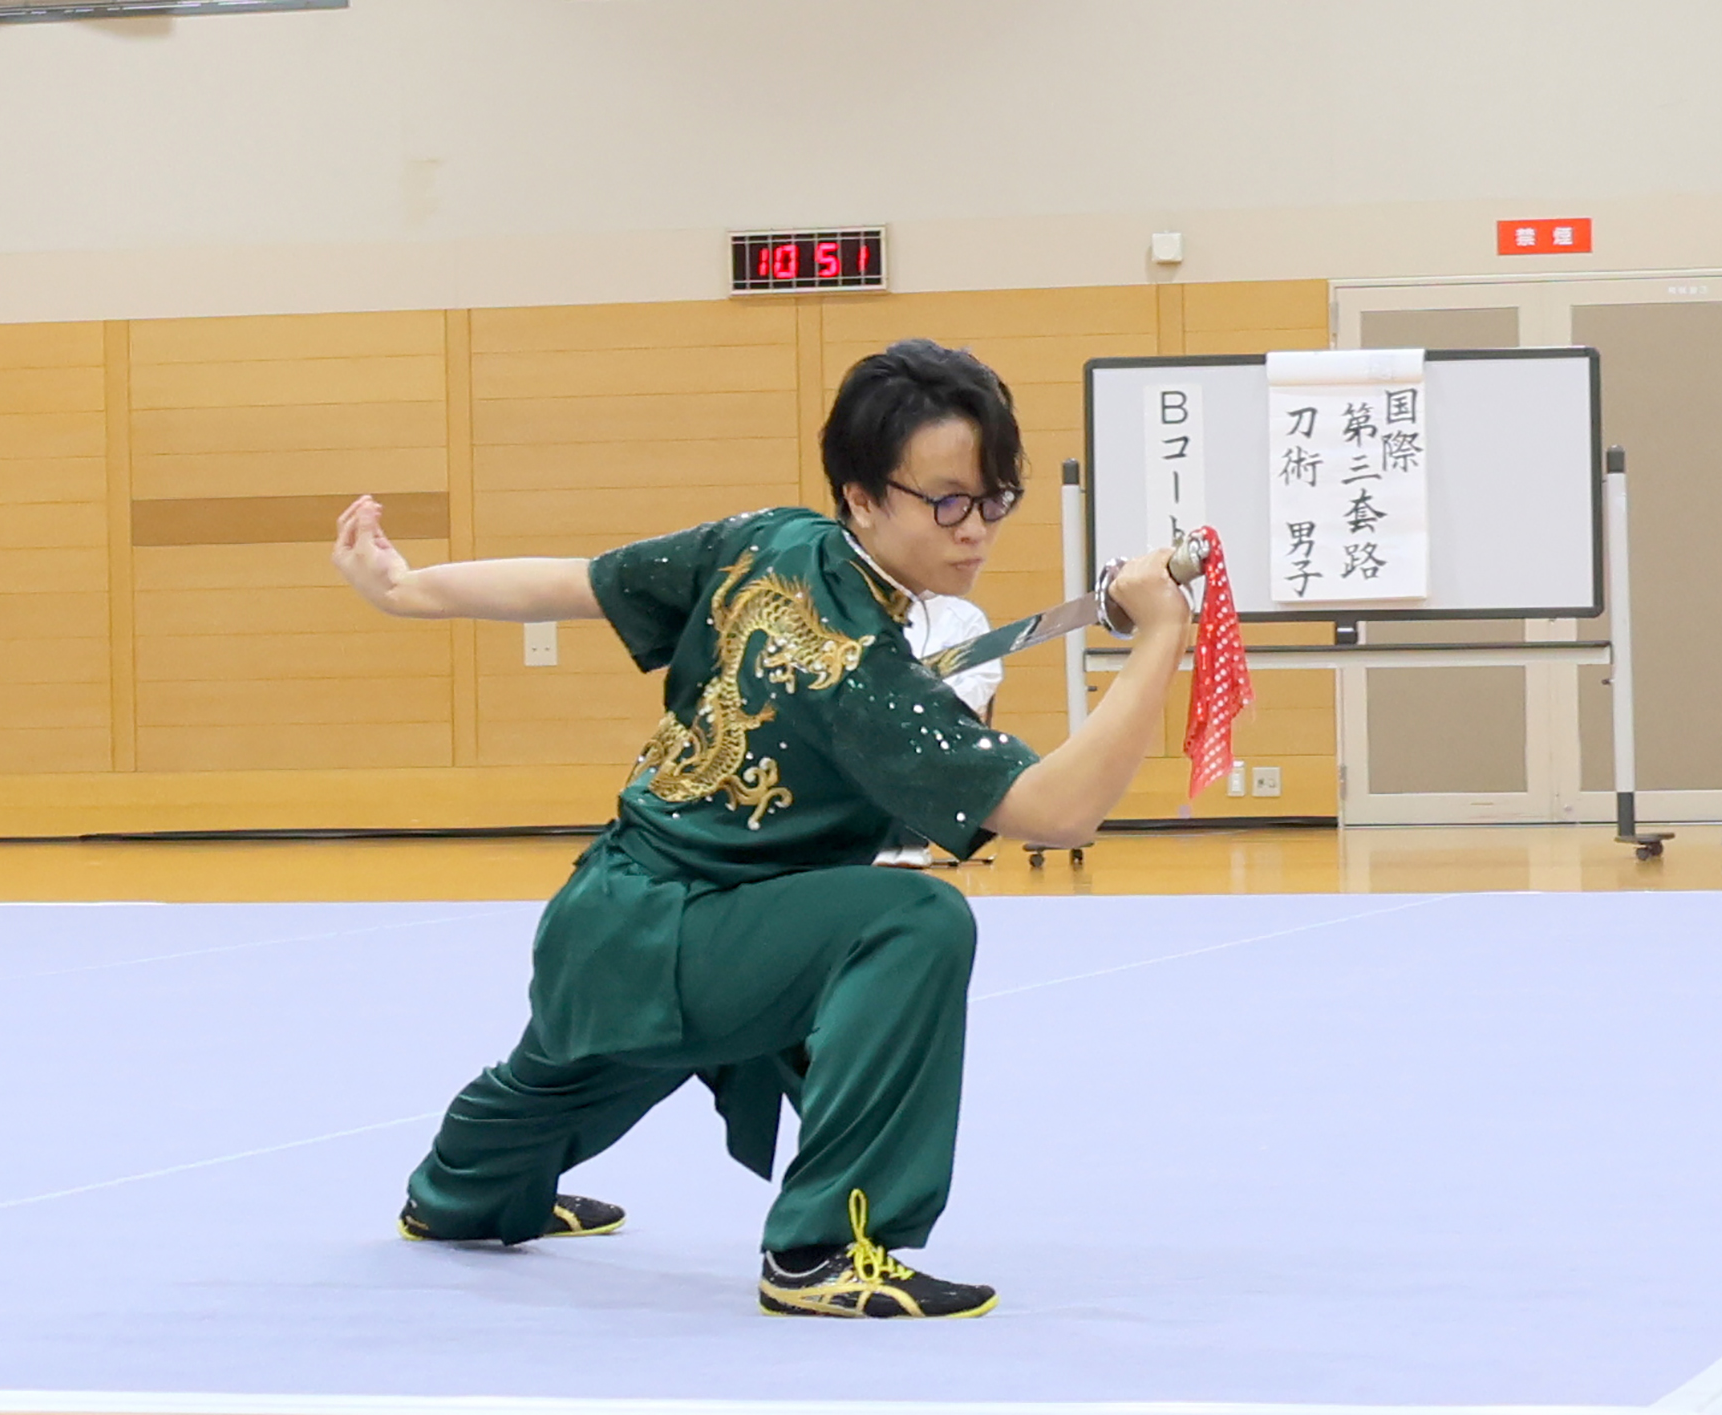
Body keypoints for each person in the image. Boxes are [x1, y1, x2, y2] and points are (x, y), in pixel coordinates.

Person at [330, 338, 1189, 1319]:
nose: (976, 530)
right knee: (912, 921)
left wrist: (405, 589)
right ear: (863, 496)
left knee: (569, 1072)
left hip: (608, 921)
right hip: (695, 933)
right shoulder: (859, 667)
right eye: (947, 501)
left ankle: (456, 1193)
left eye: (994, 498)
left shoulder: (768, 540)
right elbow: (1058, 810)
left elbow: (578, 581)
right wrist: (1162, 635)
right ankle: (822, 1249)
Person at [877, 593, 1001, 867]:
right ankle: (880, 841)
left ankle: (913, 841)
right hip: (886, 714)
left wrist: (936, 704)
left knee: (917, 746)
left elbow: (985, 676)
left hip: (945, 717)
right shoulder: (879, 612)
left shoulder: (967, 616)